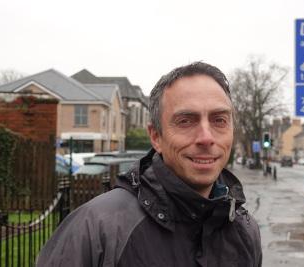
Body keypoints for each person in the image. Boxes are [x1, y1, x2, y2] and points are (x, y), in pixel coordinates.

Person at [37, 62, 262, 267]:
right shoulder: (96, 230)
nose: (206, 137)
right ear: (155, 137)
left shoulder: (245, 231)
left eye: (219, 120)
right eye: (185, 121)